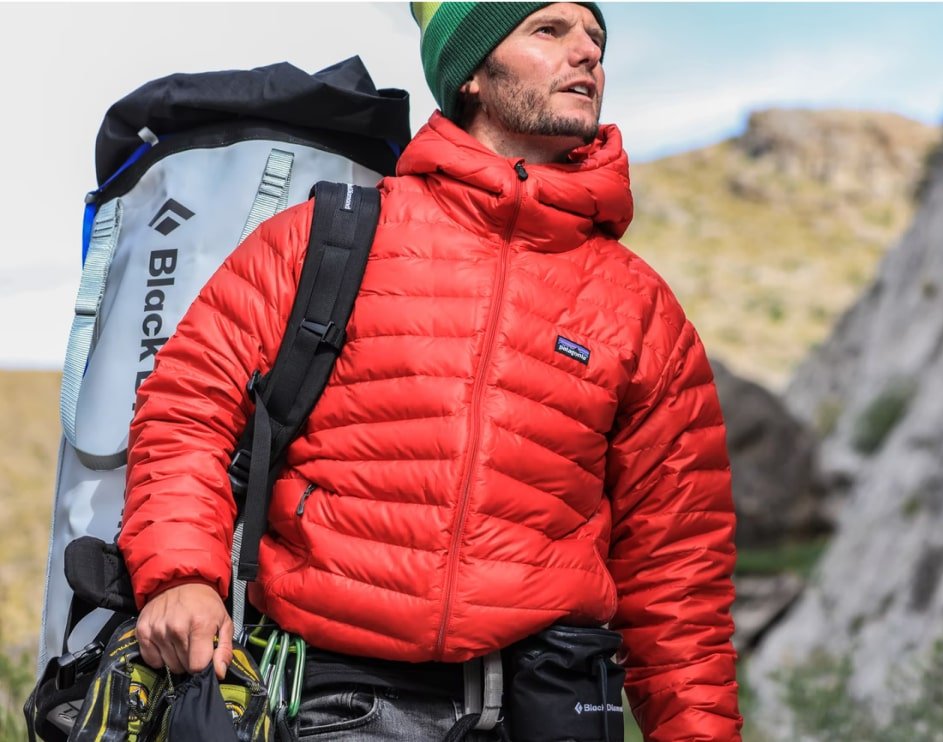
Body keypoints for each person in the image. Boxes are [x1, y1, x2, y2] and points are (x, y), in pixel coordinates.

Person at [117, 2, 742, 739]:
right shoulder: (326, 237)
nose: (587, 54)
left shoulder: (639, 306)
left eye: (595, 38)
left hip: (552, 705)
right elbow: (187, 406)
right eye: (549, 31)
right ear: (471, 73)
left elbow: (679, 569)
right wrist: (183, 575)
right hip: (341, 706)